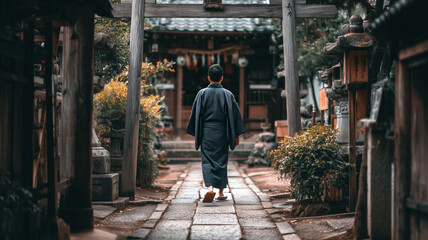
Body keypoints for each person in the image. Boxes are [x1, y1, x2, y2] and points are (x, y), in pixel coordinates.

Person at [186, 64, 246, 202]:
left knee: (207, 161)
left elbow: (196, 115)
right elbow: (235, 117)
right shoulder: (228, 94)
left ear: (208, 78)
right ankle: (220, 193)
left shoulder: (201, 94)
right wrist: (235, 135)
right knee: (221, 161)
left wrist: (198, 133)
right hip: (222, 133)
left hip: (206, 132)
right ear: (222, 78)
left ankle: (209, 189)